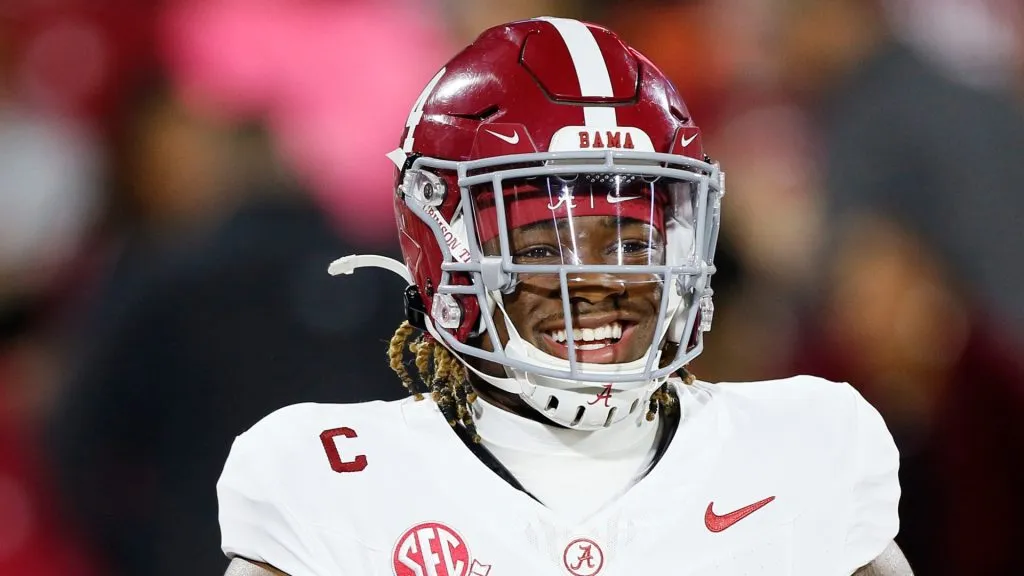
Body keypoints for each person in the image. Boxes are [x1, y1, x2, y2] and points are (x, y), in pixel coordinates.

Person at [217, 18, 911, 575]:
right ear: (447, 251)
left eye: (632, 246)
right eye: (543, 249)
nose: (599, 283)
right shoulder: (336, 481)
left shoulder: (800, 452)